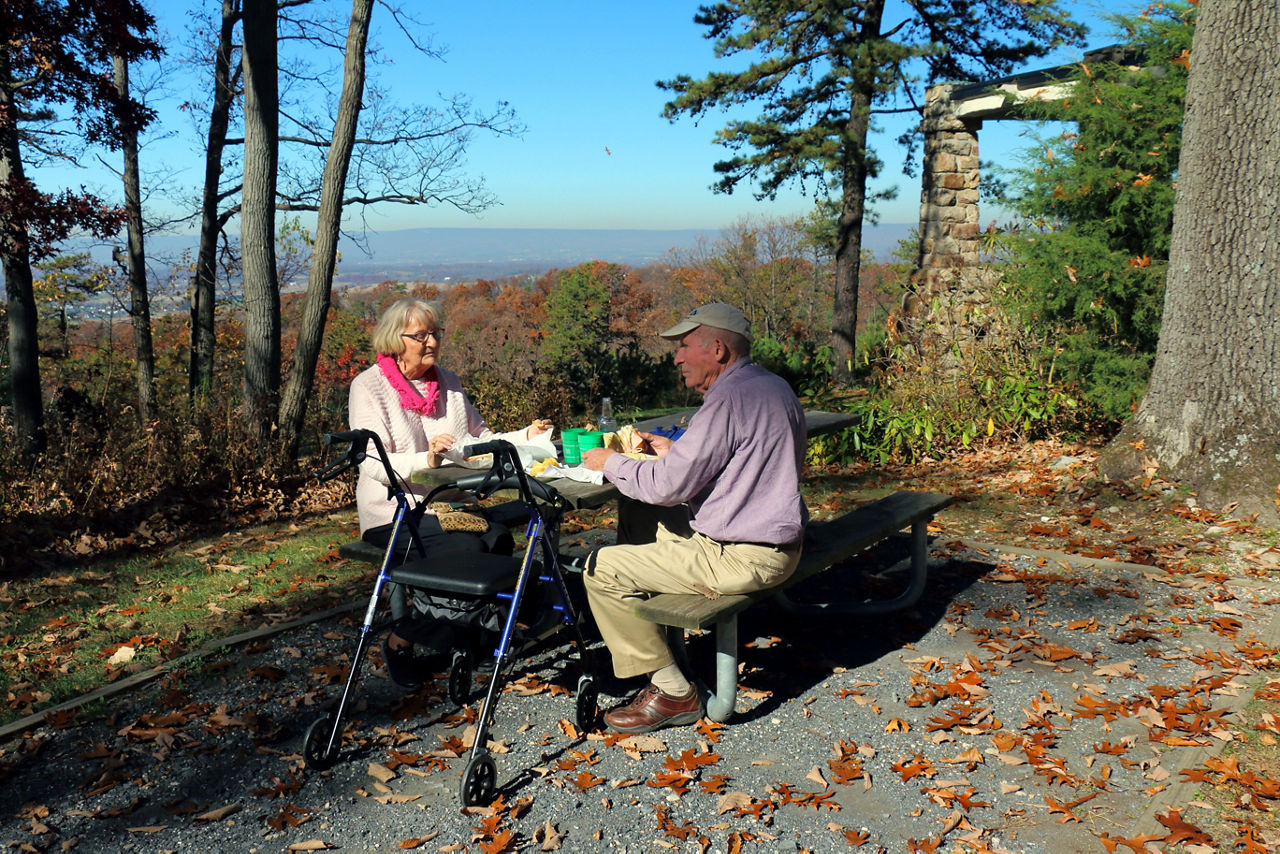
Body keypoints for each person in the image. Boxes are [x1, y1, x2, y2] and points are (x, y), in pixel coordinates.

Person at [580, 302, 807, 733]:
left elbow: (668, 487)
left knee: (599, 568)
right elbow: (745, 466)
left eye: (685, 346)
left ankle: (672, 692)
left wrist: (611, 462)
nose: (677, 357)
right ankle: (656, 637)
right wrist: (674, 454)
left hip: (743, 555)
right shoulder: (771, 386)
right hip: (777, 543)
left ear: (718, 349)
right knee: (638, 511)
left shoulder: (728, 400)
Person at [349, 297, 553, 689]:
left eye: (435, 333)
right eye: (421, 335)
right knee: (469, 554)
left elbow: (481, 440)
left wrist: (525, 437)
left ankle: (467, 642)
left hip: (452, 505)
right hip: (395, 511)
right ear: (396, 338)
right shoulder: (368, 387)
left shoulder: (450, 383)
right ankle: (401, 641)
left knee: (498, 540)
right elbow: (372, 463)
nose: (431, 342)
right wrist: (425, 458)